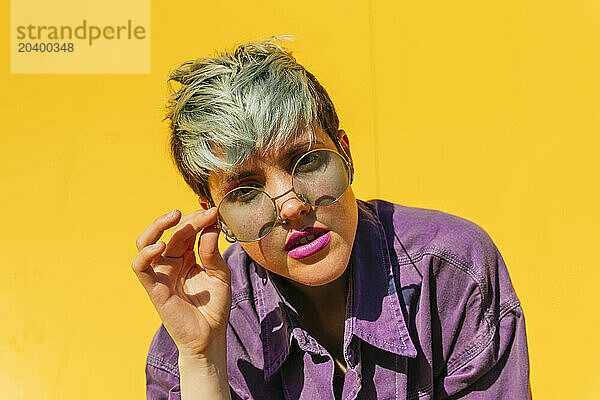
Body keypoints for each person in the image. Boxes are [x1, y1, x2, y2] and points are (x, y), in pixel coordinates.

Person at [132, 37, 531, 400]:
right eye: (247, 191)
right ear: (215, 217)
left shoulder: (452, 275)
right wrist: (203, 363)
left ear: (345, 154)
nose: (291, 207)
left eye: (305, 162)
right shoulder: (191, 335)